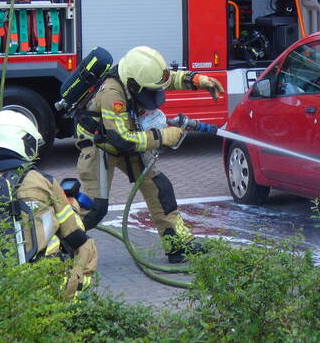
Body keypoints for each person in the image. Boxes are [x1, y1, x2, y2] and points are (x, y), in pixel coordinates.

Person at [75, 46, 224, 263]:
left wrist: (196, 79)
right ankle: (56, 245)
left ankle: (177, 245)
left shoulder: (138, 76)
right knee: (95, 208)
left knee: (160, 188)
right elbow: (121, 140)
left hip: (128, 137)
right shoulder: (112, 94)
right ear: (134, 84)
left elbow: (166, 79)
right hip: (99, 146)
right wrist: (162, 136)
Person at [0, 107, 97, 298]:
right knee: (87, 246)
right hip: (45, 285)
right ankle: (74, 301)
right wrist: (73, 205)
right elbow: (75, 235)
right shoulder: (42, 181)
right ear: (23, 142)